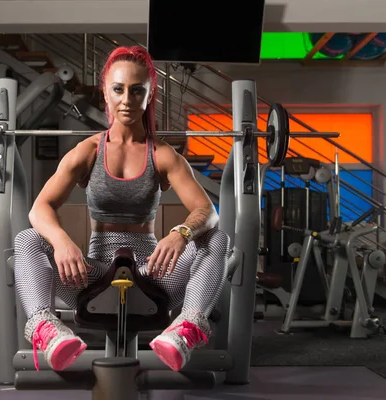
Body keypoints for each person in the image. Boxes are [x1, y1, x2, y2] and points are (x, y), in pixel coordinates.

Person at [14, 45, 231, 373]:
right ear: (105, 91)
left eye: (137, 90)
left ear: (149, 93)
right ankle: (48, 332)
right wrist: (60, 241)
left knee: (217, 238)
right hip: (92, 274)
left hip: (154, 274)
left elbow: (207, 210)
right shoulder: (87, 151)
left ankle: (186, 331)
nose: (127, 100)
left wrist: (182, 234)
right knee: (28, 239)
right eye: (118, 89)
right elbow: (40, 207)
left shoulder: (163, 155)